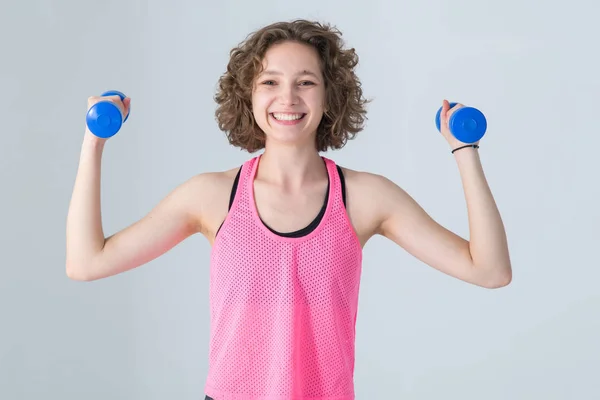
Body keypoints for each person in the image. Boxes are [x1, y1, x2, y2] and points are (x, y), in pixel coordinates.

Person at [66, 19, 512, 400]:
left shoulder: (365, 198)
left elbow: (489, 270)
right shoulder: (211, 196)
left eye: (305, 81)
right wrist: (94, 141)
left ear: (329, 94)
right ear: (249, 95)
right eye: (270, 82)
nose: (288, 97)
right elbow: (87, 262)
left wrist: (465, 149)